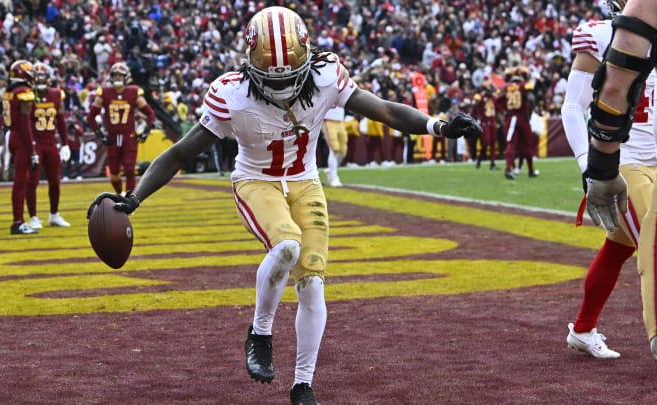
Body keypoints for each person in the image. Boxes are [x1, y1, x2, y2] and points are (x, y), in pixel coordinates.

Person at [87, 7, 481, 404]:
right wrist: (134, 198)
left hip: (305, 183)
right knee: (288, 245)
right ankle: (260, 332)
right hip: (256, 182)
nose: (284, 88)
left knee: (312, 283)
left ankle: (303, 385)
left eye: (292, 77)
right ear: (250, 67)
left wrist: (439, 126)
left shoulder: (327, 76)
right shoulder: (232, 94)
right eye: (273, 80)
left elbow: (387, 110)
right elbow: (178, 154)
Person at [561, 0, 657, 359]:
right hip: (624, 161)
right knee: (653, 244)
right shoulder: (601, 34)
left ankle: (583, 329)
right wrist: (591, 165)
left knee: (619, 246)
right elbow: (572, 106)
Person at [87, 62, 155, 194]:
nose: (118, 78)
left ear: (126, 77)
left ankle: (130, 198)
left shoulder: (134, 92)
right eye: (115, 75)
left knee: (130, 168)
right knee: (114, 174)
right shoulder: (104, 93)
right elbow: (91, 117)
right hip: (112, 137)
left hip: (129, 136)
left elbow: (150, 113)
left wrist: (146, 131)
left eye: (120, 75)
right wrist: (100, 134)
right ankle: (119, 195)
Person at [26, 62, 72, 229]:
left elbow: (60, 121)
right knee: (33, 181)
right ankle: (33, 217)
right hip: (35, 142)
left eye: (42, 78)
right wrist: (30, 146)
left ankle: (54, 214)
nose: (39, 81)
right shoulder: (28, 95)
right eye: (36, 78)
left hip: (51, 142)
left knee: (55, 181)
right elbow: (25, 123)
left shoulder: (56, 95)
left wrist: (65, 143)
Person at [3, 60, 39, 235]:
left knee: (20, 182)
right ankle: (18, 222)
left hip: (12, 135)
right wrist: (32, 149)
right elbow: (25, 125)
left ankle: (19, 220)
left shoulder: (9, 92)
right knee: (21, 182)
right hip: (21, 137)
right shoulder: (24, 92)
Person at [500, 66, 538, 179]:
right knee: (527, 145)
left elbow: (499, 101)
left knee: (511, 144)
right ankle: (530, 170)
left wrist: (504, 111)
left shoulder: (506, 87)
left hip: (512, 118)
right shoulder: (525, 85)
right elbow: (531, 99)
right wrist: (529, 113)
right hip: (523, 118)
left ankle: (508, 169)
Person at [471, 79, 500, 170]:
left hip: (493, 122)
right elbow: (474, 110)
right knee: (486, 142)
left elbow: (499, 106)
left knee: (492, 143)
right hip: (485, 123)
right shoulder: (481, 98)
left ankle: (492, 163)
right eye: (490, 88)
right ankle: (480, 158)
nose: (492, 90)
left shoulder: (494, 98)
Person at [321, 105, 347, 187]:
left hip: (341, 121)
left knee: (343, 151)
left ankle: (331, 170)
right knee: (334, 149)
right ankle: (334, 178)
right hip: (328, 121)